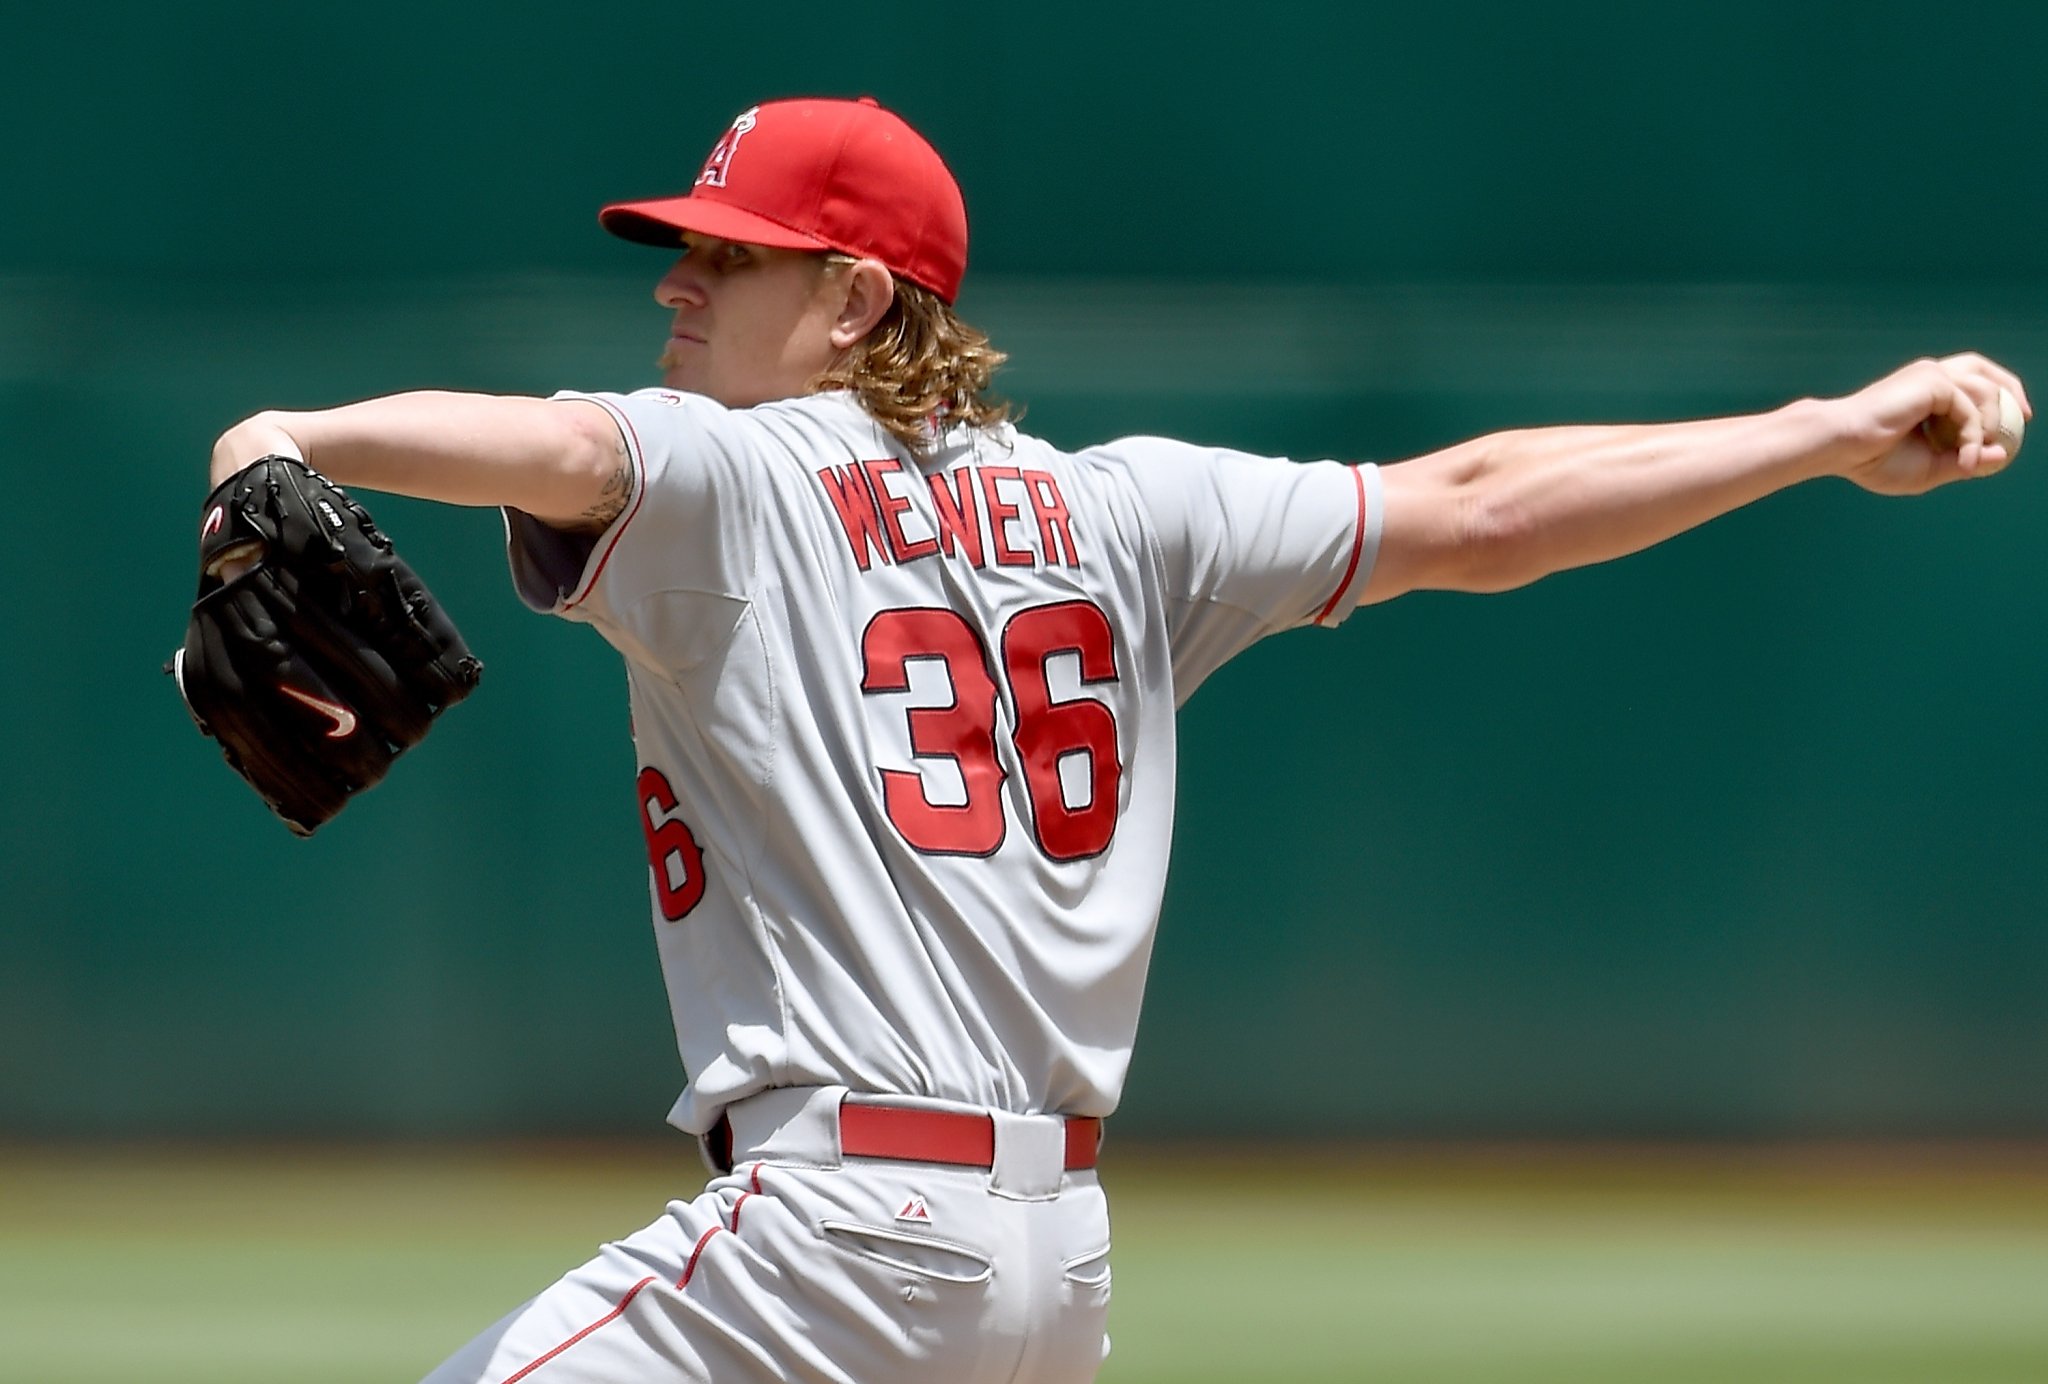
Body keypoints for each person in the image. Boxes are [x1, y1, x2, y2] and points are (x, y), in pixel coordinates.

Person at [208, 96, 2026, 1384]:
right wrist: (1820, 428)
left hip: (831, 1249)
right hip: (1049, 1273)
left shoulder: (734, 474)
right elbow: (1482, 508)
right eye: (681, 251)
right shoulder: (1125, 511)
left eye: (729, 260)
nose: (677, 285)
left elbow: (569, 448)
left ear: (852, 305)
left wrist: (287, 430)